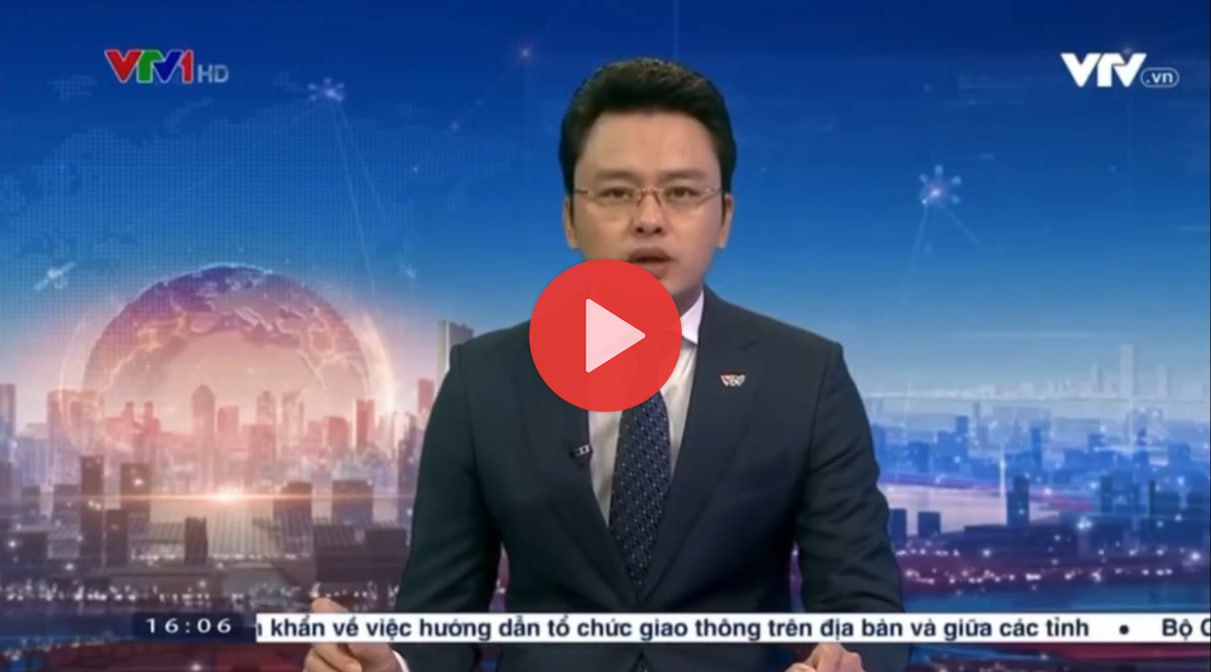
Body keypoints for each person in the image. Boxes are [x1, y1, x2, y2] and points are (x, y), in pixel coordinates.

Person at [304, 57, 908, 672]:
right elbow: (439, 619)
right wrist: (394, 667)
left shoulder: (805, 377)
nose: (649, 219)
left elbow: (865, 609)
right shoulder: (483, 381)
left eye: (682, 192)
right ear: (570, 218)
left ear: (725, 217)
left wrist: (851, 663)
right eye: (617, 193)